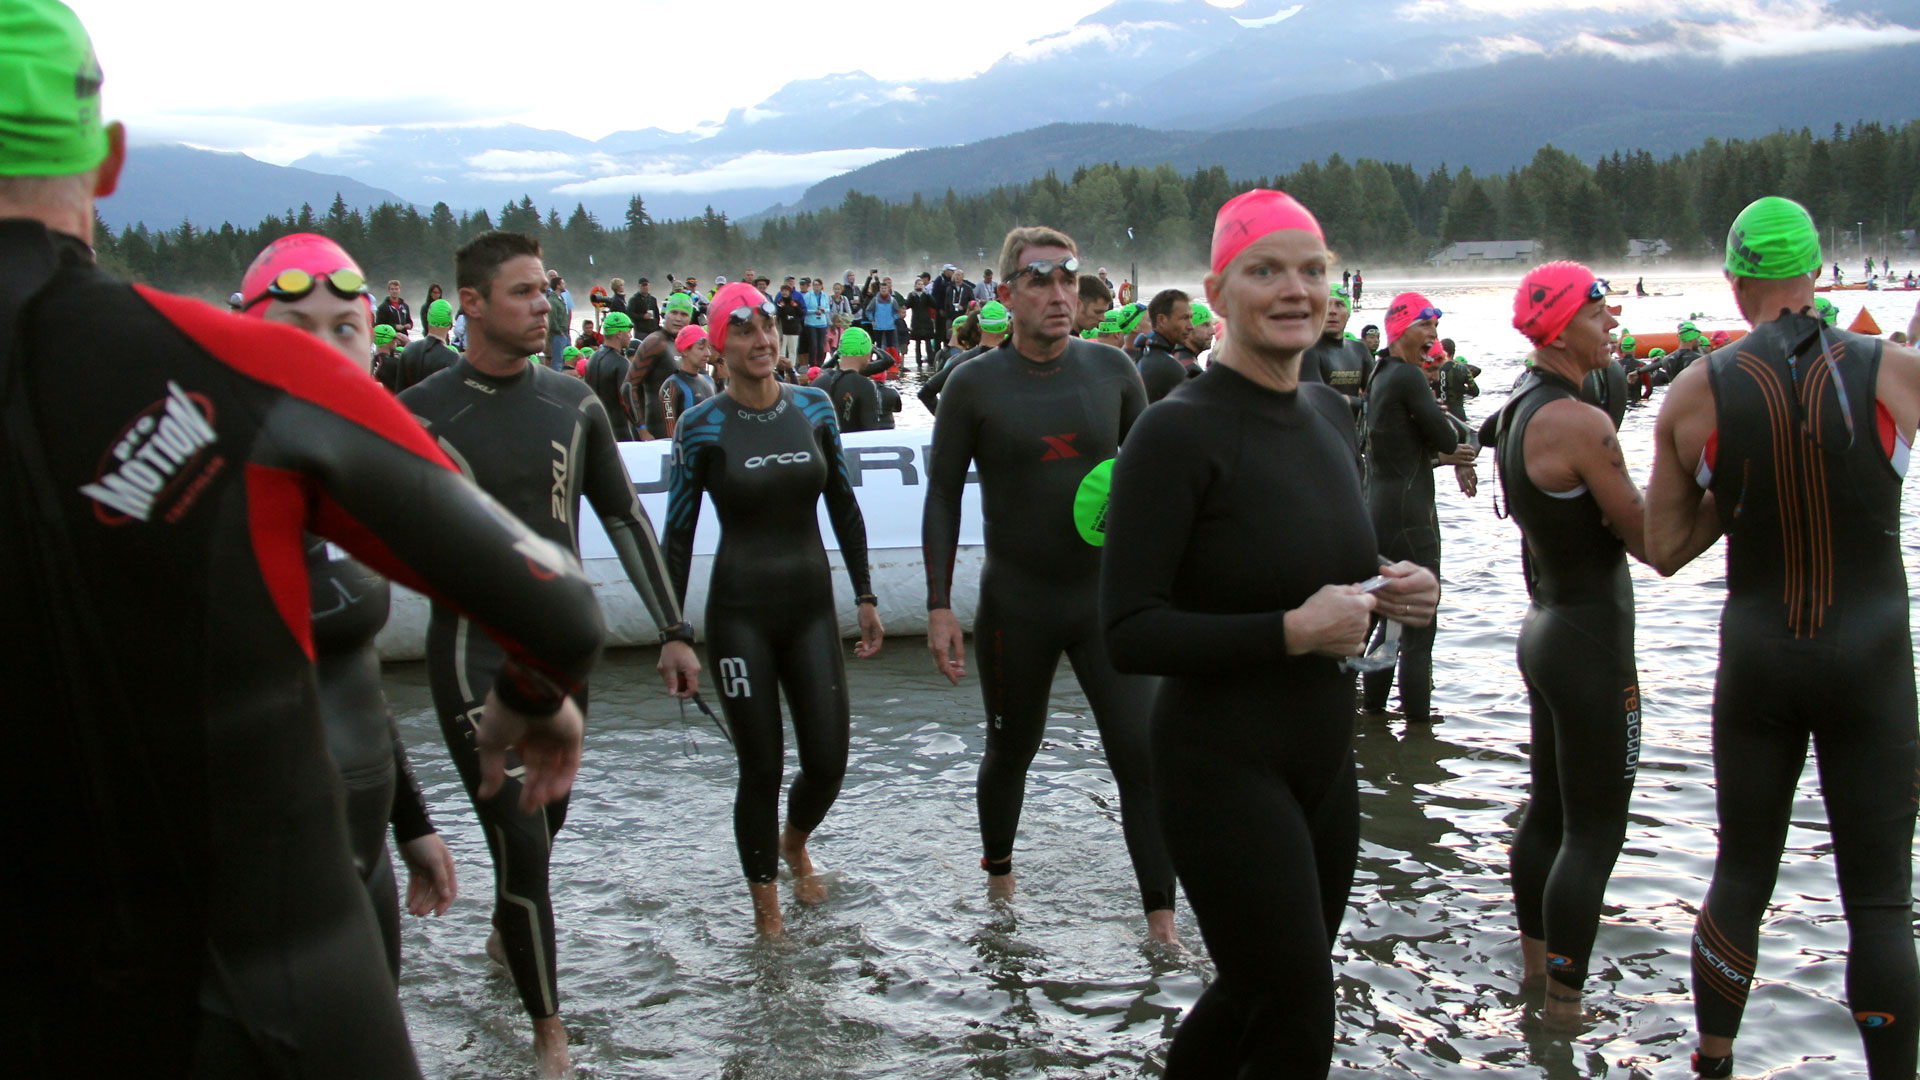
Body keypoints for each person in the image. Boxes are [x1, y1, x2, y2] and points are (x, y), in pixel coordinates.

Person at [5, 9, 604, 1074]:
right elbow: (556, 603)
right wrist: (527, 694)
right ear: (107, 159)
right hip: (279, 987)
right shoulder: (241, 371)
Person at [1101, 189, 1439, 1077]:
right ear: (1219, 291)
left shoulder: (1330, 414)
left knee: (1263, 991)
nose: (1296, 290)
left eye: (1312, 270)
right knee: (1298, 1014)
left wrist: (1399, 590)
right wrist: (1291, 631)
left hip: (1322, 761)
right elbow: (1129, 632)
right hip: (1219, 761)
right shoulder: (1175, 433)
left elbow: (1314, 566)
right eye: (1266, 271)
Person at [399, 231, 701, 1077]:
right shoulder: (419, 412)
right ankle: (549, 1038)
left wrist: (674, 631)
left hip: (562, 659)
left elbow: (625, 519)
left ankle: (507, 933)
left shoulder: (574, 401)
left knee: (543, 828)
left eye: (548, 291)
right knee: (524, 840)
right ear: (472, 301)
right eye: (525, 292)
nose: (545, 306)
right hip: (469, 656)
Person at [1646, 196, 1920, 1080]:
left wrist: (1742, 491)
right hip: (1873, 656)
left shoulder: (1696, 389)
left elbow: (1664, 547)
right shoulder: (1894, 370)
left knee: (1741, 872)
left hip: (1760, 656)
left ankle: (1716, 1063)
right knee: (1879, 898)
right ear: (1816, 272)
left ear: (1734, 283)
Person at [922, 226, 1177, 944]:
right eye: (1040, 279)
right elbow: (941, 495)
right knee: (1011, 751)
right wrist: (940, 605)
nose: (1060, 292)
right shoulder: (973, 384)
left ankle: (1162, 924)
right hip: (1018, 605)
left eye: (1069, 277)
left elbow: (1157, 483)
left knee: (1143, 758)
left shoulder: (1111, 372)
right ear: (1007, 294)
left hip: (1107, 602)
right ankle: (1000, 888)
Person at [237, 232, 458, 980]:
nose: (325, 349)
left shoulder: (348, 490)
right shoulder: (216, 496)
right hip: (272, 868)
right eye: (296, 329)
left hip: (367, 855)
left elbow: (357, 680)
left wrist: (414, 827)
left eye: (344, 328)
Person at [663, 283, 883, 937]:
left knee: (828, 761)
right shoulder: (700, 424)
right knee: (761, 765)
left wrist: (866, 596)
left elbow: (843, 503)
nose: (760, 341)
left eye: (766, 328)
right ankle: (768, 917)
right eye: (742, 331)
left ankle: (794, 842)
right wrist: (674, 630)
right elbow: (677, 532)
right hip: (741, 615)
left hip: (811, 609)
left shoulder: (814, 406)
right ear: (718, 345)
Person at [1480, 261, 1647, 1029]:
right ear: (1560, 325)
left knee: (1546, 815)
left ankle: (1534, 971)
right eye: (1599, 310)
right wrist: (1730, 481)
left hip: (1546, 630)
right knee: (1593, 834)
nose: (1612, 322)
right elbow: (1658, 543)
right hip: (1589, 641)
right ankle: (1563, 1017)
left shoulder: (1518, 406)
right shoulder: (1581, 422)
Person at [1361, 292, 1478, 723]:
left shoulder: (1379, 373)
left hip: (1379, 512)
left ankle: (1371, 715)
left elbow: (1404, 445)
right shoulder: (1409, 377)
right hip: (1412, 518)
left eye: (1435, 327)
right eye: (1425, 326)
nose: (1433, 335)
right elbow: (1446, 438)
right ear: (1402, 329)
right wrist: (1451, 440)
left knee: (1383, 620)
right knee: (1417, 632)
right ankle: (1419, 732)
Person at [916, 300, 1009, 413]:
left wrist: (947, 421)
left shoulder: (961, 360)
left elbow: (926, 393)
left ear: (979, 328)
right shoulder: (1019, 362)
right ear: (1007, 328)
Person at [627, 291, 695, 439]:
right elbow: (629, 387)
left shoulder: (689, 347)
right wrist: (641, 429)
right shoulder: (655, 342)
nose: (678, 318)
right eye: (674, 312)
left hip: (684, 434)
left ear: (690, 318)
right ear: (665, 314)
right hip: (658, 433)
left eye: (684, 314)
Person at [1300, 284, 1371, 419]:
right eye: (1326, 306)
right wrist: (1360, 402)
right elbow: (1320, 401)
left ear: (1348, 313)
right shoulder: (1307, 351)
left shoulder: (1359, 350)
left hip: (1352, 433)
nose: (1332, 311)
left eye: (1339, 305)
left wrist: (1349, 400)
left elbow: (1380, 398)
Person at [378, 296, 459, 394]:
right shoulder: (453, 358)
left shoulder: (409, 350)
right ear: (450, 325)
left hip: (409, 408)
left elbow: (400, 392)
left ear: (428, 321)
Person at [818, 325, 887, 433]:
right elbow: (871, 433)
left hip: (822, 448)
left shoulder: (818, 382)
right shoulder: (864, 385)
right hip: (851, 448)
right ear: (867, 353)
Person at [1136, 288, 1194, 404]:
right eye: (1184, 318)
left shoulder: (1144, 355)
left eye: (1190, 318)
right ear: (1162, 320)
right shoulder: (1169, 367)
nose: (1191, 326)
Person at [585, 310, 636, 441]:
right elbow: (627, 401)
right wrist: (641, 428)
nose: (630, 336)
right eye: (628, 332)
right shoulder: (621, 363)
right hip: (619, 430)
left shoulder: (593, 358)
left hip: (596, 426)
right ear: (619, 333)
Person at [660, 322, 716, 436]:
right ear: (685, 351)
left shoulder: (709, 381)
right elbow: (671, 435)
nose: (708, 353)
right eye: (701, 348)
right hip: (688, 450)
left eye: (708, 348)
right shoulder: (672, 385)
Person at [1438, 338, 1481, 420]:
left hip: (1440, 415)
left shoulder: (1434, 369)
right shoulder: (1462, 369)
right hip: (1459, 415)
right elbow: (1475, 392)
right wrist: (1463, 389)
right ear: (1453, 352)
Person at [863, 276, 905, 354]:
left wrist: (894, 319)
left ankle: (889, 361)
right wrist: (872, 319)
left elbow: (897, 311)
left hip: (890, 327)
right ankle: (879, 360)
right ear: (880, 289)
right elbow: (868, 311)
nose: (884, 290)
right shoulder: (875, 300)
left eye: (885, 289)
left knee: (890, 345)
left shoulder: (892, 300)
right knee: (879, 345)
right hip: (878, 327)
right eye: (882, 288)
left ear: (887, 289)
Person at [906, 273, 938, 366]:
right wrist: (912, 295)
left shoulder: (926, 295)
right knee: (917, 343)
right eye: (918, 284)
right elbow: (907, 305)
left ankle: (931, 359)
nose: (919, 286)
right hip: (916, 321)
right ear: (915, 286)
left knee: (928, 342)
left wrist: (927, 294)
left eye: (921, 284)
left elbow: (934, 304)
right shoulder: (912, 295)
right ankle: (918, 361)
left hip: (927, 321)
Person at [774, 279, 806, 364]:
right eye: (783, 291)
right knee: (782, 351)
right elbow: (777, 315)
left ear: (789, 292)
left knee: (793, 350)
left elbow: (801, 313)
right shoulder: (779, 303)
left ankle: (792, 368)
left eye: (786, 291)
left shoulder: (795, 302)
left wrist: (795, 307)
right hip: (783, 330)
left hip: (794, 330)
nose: (784, 293)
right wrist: (781, 307)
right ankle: (782, 369)